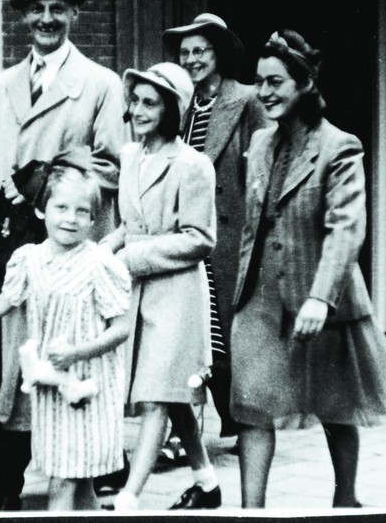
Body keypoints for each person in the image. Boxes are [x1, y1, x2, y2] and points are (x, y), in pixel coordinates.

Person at [0, 0, 128, 511]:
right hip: (16, 242)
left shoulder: (100, 85)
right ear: (24, 16)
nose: (47, 18)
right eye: (37, 8)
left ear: (75, 12)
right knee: (16, 361)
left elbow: (111, 166)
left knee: (66, 359)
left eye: (59, 7)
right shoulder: (3, 86)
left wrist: (50, 177)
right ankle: (4, 483)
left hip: (69, 242)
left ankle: (88, 471)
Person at [232, 30, 386, 508]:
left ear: (304, 83)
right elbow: (252, 225)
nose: (264, 92)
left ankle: (345, 499)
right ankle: (251, 511)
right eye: (260, 81)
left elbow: (346, 228)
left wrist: (319, 297)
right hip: (260, 294)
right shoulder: (261, 142)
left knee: (336, 404)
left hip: (317, 297)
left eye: (276, 81)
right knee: (251, 405)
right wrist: (238, 292)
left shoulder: (339, 146)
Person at [0, 164, 133, 511]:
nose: (71, 218)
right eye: (61, 208)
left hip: (89, 393)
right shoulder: (30, 260)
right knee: (80, 486)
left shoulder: (101, 265)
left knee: (64, 483)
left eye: (83, 211)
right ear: (41, 210)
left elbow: (121, 328)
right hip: (51, 397)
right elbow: (4, 302)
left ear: (94, 219)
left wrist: (77, 353)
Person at [102, 62, 221, 511]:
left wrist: (130, 257)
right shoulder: (131, 156)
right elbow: (127, 226)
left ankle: (130, 498)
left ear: (172, 109)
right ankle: (207, 483)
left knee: (155, 393)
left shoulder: (193, 165)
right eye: (134, 101)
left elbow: (199, 239)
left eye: (150, 103)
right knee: (171, 393)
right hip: (134, 294)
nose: (138, 110)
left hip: (176, 296)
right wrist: (102, 252)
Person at [159, 12, 271, 458]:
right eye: (184, 53)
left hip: (232, 239)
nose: (191, 60)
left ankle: (246, 424)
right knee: (191, 335)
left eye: (200, 51)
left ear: (218, 54)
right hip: (189, 235)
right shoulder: (178, 106)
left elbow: (265, 171)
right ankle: (181, 433)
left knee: (230, 335)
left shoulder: (246, 101)